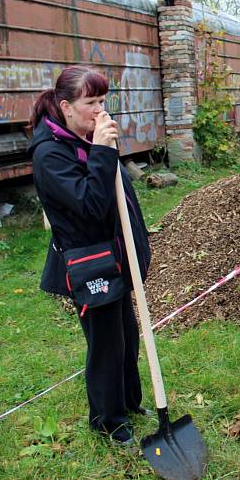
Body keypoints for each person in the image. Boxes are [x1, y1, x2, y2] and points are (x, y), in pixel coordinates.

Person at [27, 65, 152, 445]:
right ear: (65, 106)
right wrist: (101, 149)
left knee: (127, 335)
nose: (100, 110)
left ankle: (129, 403)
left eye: (103, 100)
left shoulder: (83, 139)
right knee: (106, 344)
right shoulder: (50, 154)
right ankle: (107, 420)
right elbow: (92, 205)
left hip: (114, 255)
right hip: (89, 263)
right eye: (91, 102)